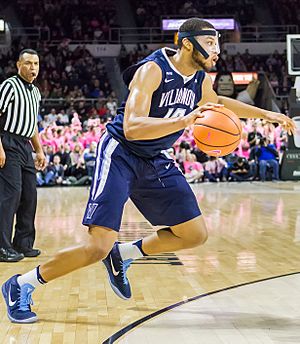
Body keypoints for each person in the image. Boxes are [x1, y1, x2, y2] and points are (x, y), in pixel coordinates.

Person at [2, 18, 295, 323]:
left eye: (217, 44)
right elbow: (132, 127)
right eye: (210, 43)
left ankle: (124, 254)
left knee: (194, 234)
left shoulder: (199, 80)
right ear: (185, 43)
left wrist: (268, 114)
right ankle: (21, 285)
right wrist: (184, 121)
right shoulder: (153, 70)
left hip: (155, 157)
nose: (217, 50)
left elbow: (218, 102)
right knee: (97, 246)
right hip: (121, 154)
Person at [0, 49, 47, 263]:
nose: (33, 68)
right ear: (18, 64)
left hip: (25, 145)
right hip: (7, 142)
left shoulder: (35, 92)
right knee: (11, 195)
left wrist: (39, 149)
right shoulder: (9, 86)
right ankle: (2, 247)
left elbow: (32, 124)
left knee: (29, 195)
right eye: (28, 63)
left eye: (36, 64)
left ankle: (23, 243)